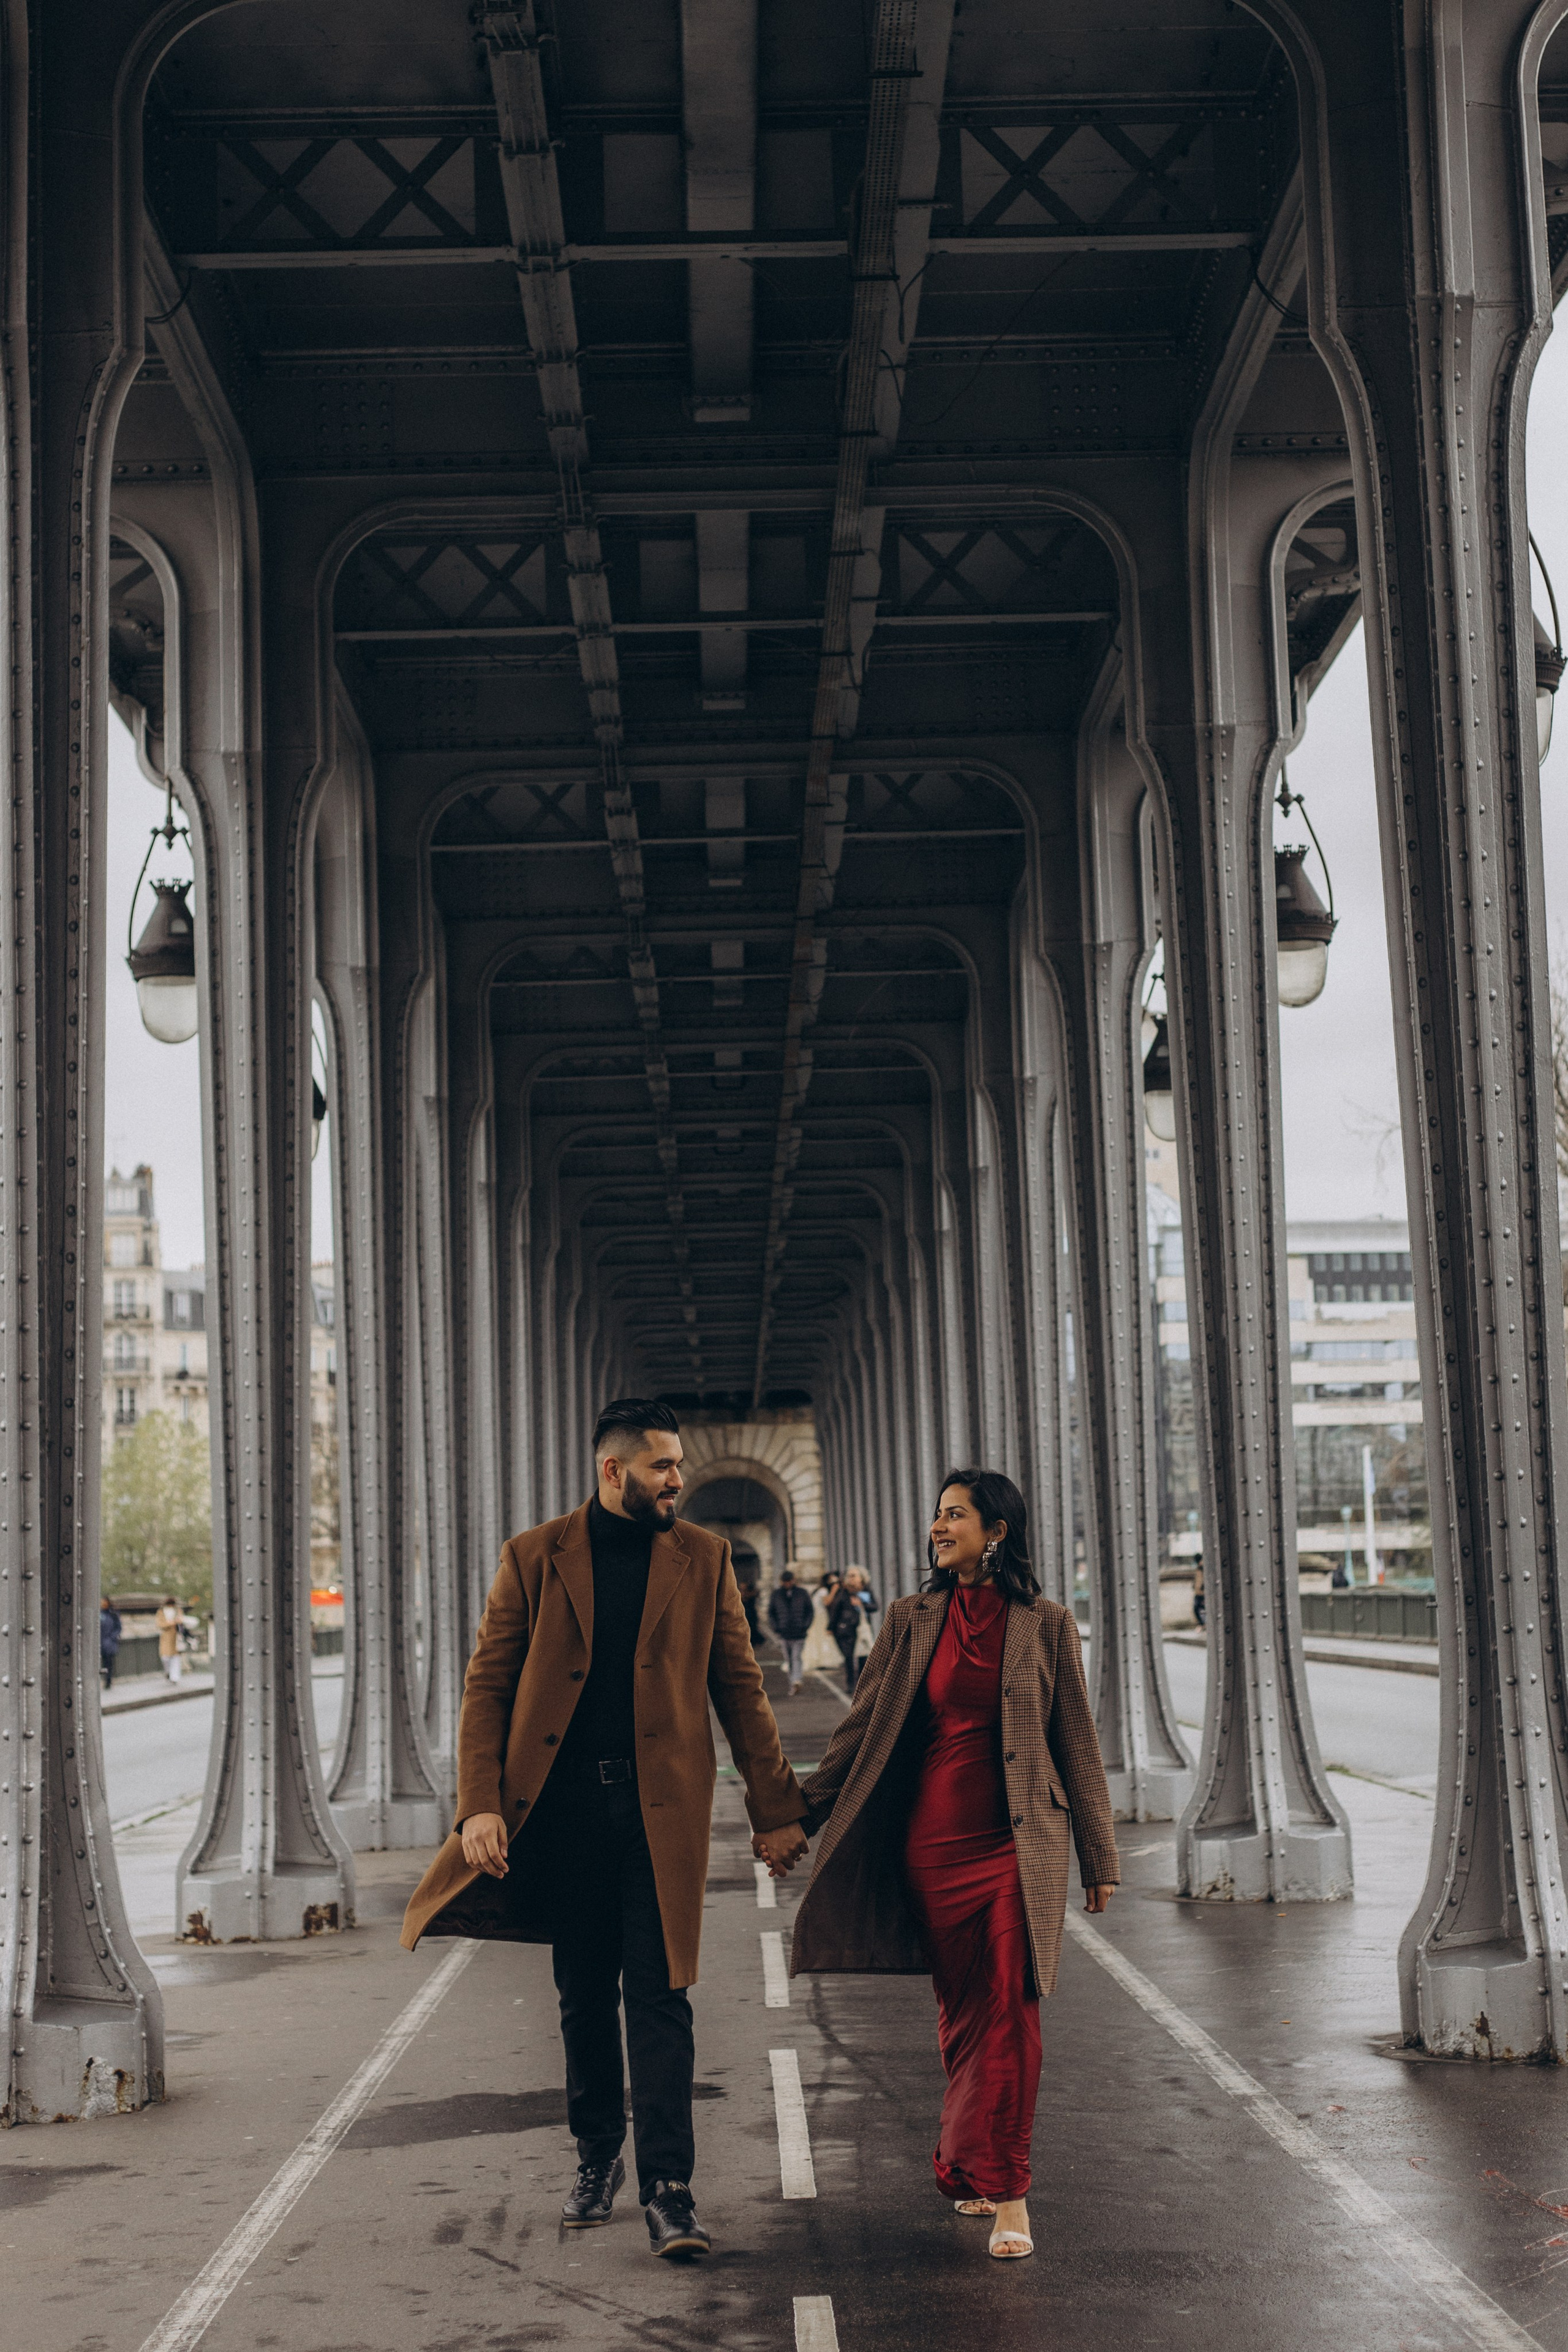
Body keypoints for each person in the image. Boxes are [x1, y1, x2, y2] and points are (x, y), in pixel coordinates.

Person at [402, 1399, 809, 2261]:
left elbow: (741, 1688)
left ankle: (670, 2187)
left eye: (679, 1465)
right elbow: (489, 1686)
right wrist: (479, 1802)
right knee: (584, 1997)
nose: (678, 1480)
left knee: (662, 1997)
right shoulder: (535, 1557)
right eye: (662, 1466)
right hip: (565, 1818)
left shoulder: (704, 1559)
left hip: (660, 1820)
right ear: (612, 1471)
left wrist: (773, 1811)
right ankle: (596, 2157)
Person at [777, 1468, 1119, 2263]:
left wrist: (1100, 1857)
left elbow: (1079, 1746)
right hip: (931, 1845)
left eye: (955, 1514)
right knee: (965, 2013)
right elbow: (858, 1728)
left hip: (1013, 1846)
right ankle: (969, 2159)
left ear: (995, 1529)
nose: (938, 1526)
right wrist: (796, 1812)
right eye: (937, 1514)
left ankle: (1012, 2194)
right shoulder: (909, 1619)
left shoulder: (1047, 1626)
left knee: (1011, 2008)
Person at [767, 1566, 814, 1696]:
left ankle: (796, 1681)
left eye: (789, 1581)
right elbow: (771, 1613)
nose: (787, 1583)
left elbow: (810, 1611)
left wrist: (805, 1626)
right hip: (784, 1633)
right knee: (789, 1659)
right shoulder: (776, 1594)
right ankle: (793, 1682)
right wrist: (776, 1627)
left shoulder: (802, 1593)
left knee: (796, 1657)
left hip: (799, 1633)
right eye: (785, 1581)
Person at [827, 1571, 870, 1695]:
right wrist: (831, 1627)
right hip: (847, 1630)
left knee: (863, 1658)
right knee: (849, 1657)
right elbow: (835, 1611)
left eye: (854, 1578)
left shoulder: (865, 1592)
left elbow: (874, 1607)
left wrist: (862, 1604)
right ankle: (851, 1684)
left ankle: (862, 1684)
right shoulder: (843, 1594)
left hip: (861, 1630)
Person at [801, 1572, 840, 1673]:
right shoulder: (823, 1591)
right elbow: (827, 1602)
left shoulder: (819, 1590)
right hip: (821, 1617)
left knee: (819, 1637)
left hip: (819, 1616)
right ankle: (821, 1659)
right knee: (822, 1636)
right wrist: (834, 1591)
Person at [156, 1596, 183, 1684]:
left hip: (176, 1638)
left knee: (175, 1658)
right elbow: (160, 1624)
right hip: (166, 1637)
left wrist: (178, 1622)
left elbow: (181, 1621)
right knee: (165, 1657)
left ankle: (174, 1678)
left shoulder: (178, 1611)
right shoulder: (161, 1612)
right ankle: (168, 1673)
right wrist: (170, 1623)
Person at [99, 1595, 122, 1690]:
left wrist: (112, 1637)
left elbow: (118, 1628)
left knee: (109, 1663)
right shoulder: (100, 1614)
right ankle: (106, 1680)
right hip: (101, 1642)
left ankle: (108, 1681)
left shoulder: (113, 1614)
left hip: (109, 1643)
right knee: (104, 1663)